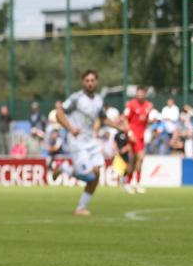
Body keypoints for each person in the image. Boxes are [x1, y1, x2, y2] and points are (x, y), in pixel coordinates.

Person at [51, 70, 119, 215]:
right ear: (83, 82)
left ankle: (81, 208)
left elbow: (103, 118)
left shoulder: (99, 99)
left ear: (96, 82)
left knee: (97, 175)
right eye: (87, 80)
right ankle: (64, 168)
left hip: (91, 142)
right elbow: (59, 113)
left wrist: (119, 126)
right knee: (89, 176)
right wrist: (71, 128)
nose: (90, 83)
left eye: (92, 80)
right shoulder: (76, 98)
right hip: (77, 142)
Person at [123, 86, 152, 194]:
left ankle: (133, 182)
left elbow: (146, 121)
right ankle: (130, 182)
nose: (140, 95)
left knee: (137, 160)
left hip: (141, 136)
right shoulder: (131, 104)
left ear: (144, 94)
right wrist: (129, 133)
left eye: (142, 94)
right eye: (138, 94)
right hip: (133, 137)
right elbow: (125, 119)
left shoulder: (148, 106)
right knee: (139, 158)